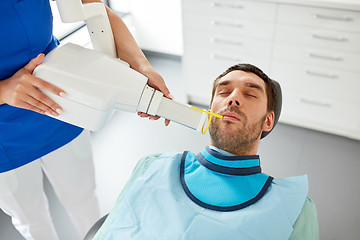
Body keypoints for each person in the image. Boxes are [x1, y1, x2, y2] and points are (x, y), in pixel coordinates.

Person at [0, 0, 171, 239]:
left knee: (83, 199)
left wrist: (140, 66)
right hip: (4, 133)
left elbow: (95, 8)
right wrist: (3, 91)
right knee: (30, 219)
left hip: (62, 97)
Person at [91, 63, 319, 240]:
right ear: (210, 111)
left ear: (268, 121)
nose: (233, 98)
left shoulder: (295, 210)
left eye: (250, 94)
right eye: (223, 92)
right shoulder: (151, 166)